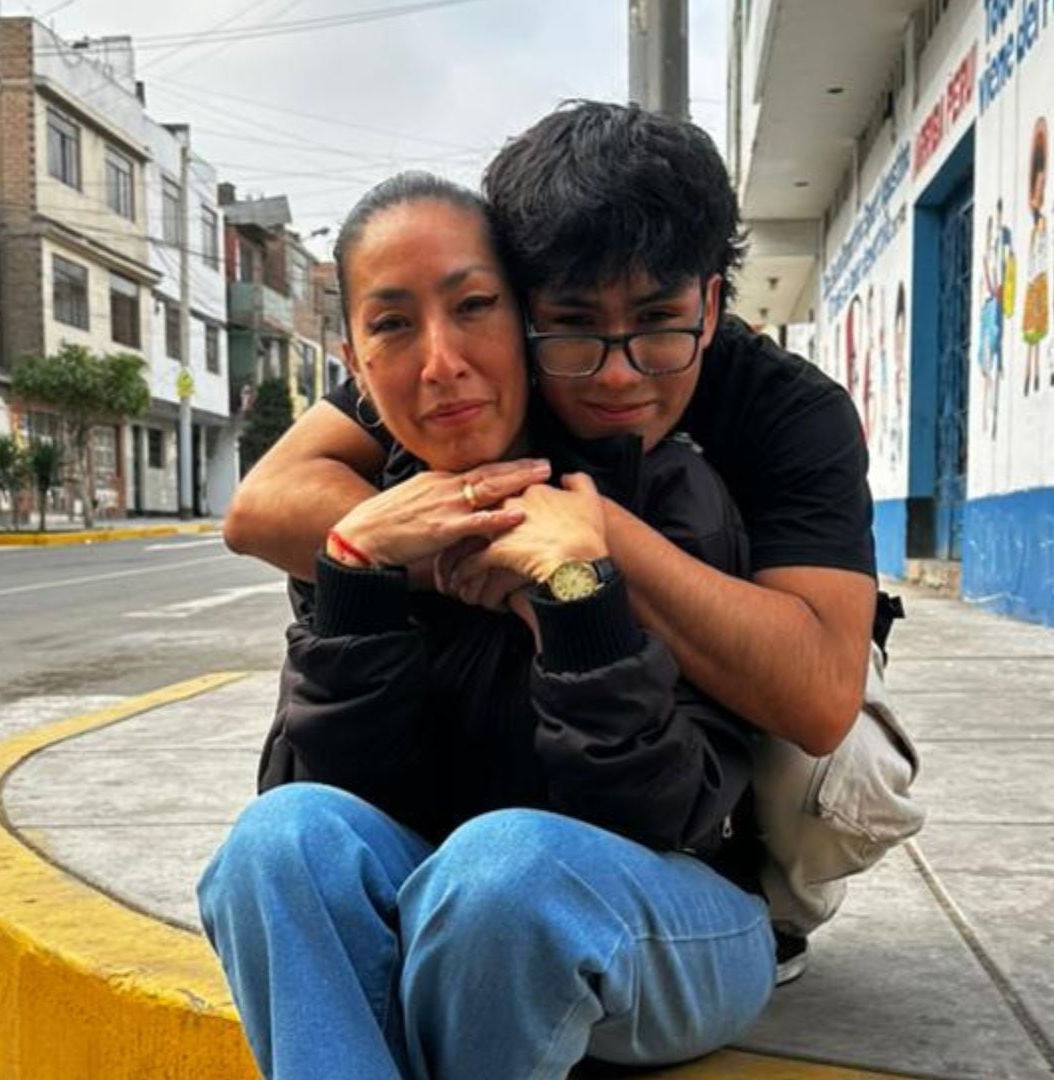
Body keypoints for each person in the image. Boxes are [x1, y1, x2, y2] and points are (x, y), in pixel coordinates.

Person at [198, 173, 774, 1078]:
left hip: (663, 917)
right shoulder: (366, 517)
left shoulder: (658, 494)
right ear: (353, 360)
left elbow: (671, 812)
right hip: (452, 908)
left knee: (507, 868)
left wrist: (577, 595)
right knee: (276, 844)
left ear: (526, 322)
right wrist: (358, 576)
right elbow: (334, 798)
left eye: (473, 306)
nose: (440, 362)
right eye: (392, 325)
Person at [223, 101, 877, 805]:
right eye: (573, 323)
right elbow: (259, 508)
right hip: (488, 809)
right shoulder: (465, 377)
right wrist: (413, 548)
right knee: (282, 845)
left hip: (702, 818)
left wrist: (583, 545)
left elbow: (820, 700)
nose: (618, 373)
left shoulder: (788, 409)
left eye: (658, 321)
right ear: (524, 308)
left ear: (710, 306)